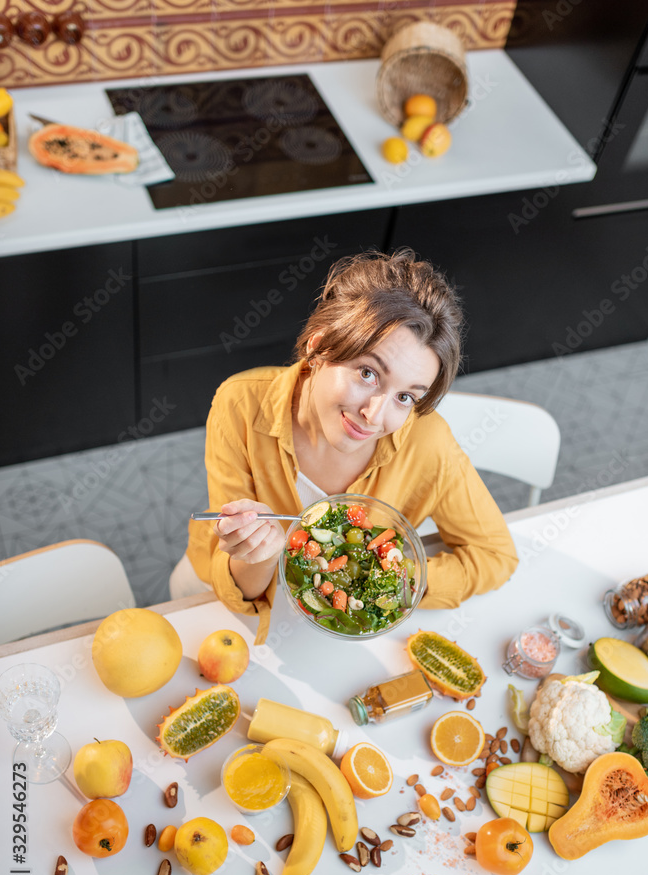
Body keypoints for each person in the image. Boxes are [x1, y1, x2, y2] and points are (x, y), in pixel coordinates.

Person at [170, 248, 518, 642]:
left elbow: (495, 556)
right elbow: (239, 590)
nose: (374, 414)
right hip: (217, 604)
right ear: (318, 347)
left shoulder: (428, 442)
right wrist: (257, 552)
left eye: (406, 397)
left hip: (337, 627)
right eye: (368, 373)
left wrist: (385, 585)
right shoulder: (241, 404)